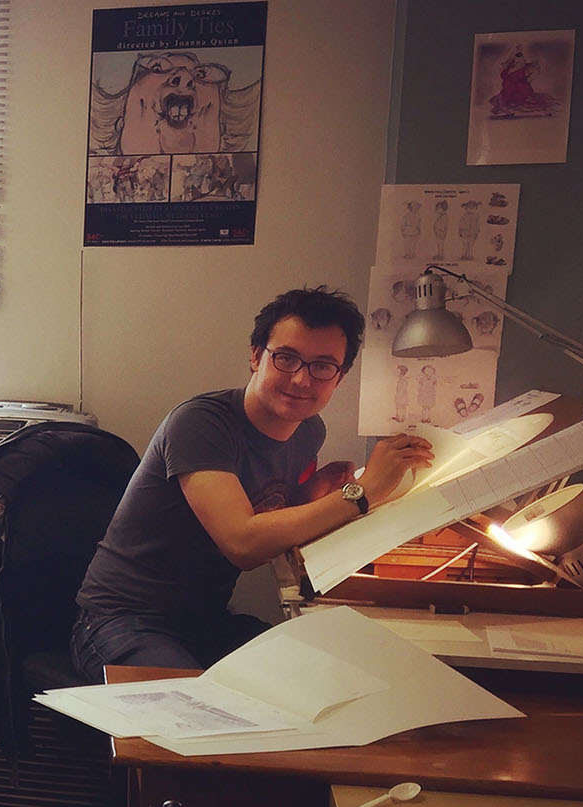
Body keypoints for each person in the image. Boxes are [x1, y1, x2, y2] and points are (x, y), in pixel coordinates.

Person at [69, 287, 433, 681]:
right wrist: (362, 493)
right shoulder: (201, 423)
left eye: (323, 366)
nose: (301, 379)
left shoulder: (309, 431)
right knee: (194, 710)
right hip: (121, 619)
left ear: (339, 378)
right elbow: (242, 543)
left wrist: (306, 496)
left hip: (204, 621)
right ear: (257, 356)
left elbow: (264, 513)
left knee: (327, 675)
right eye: (286, 358)